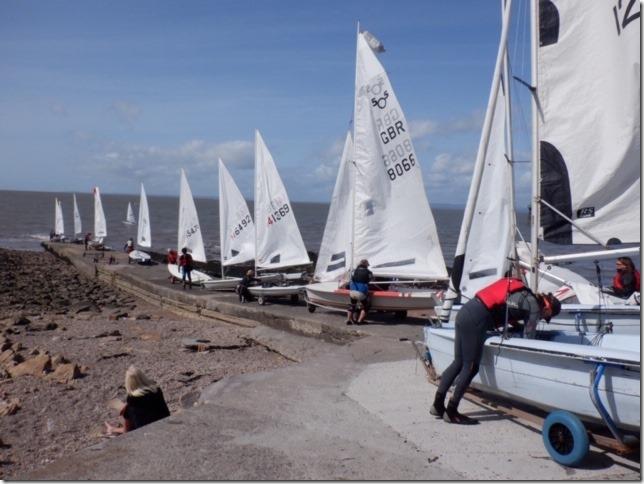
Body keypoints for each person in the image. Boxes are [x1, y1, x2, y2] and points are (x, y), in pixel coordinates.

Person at [430, 277, 561, 425]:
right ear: (548, 308)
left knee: (458, 362)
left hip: (466, 312)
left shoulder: (524, 294)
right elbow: (529, 338)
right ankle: (452, 412)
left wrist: (516, 327)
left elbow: (507, 310)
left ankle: (437, 405)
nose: (543, 319)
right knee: (471, 367)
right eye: (547, 317)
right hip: (476, 320)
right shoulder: (534, 307)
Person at [104, 365, 170, 435]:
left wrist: (114, 429)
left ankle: (111, 429)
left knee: (124, 411)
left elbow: (127, 430)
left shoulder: (133, 400)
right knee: (126, 410)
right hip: (165, 424)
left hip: (147, 433)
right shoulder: (156, 390)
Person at [346, 259, 373, 325]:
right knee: (366, 306)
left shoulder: (353, 271)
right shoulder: (368, 272)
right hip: (361, 292)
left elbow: (350, 277)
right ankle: (359, 321)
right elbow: (370, 279)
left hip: (352, 291)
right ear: (366, 265)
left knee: (352, 305)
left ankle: (348, 320)